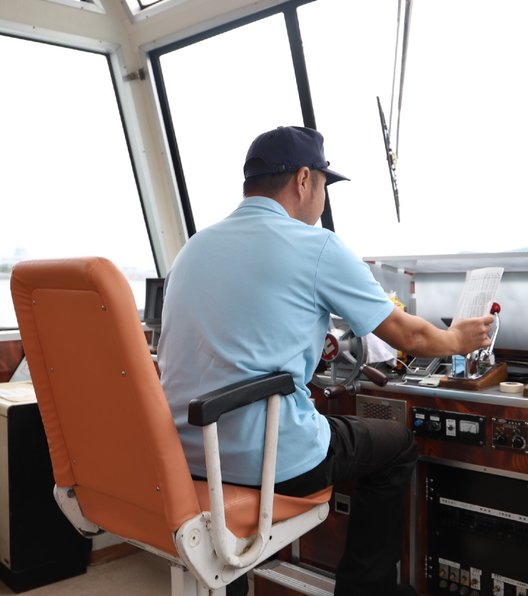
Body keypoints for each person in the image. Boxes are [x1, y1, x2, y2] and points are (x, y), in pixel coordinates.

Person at [157, 126, 494, 596]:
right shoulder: (316, 246)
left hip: (184, 455)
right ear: (301, 180)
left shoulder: (192, 248)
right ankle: (365, 588)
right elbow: (408, 335)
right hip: (269, 460)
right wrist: (458, 338)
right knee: (396, 444)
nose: (322, 199)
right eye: (323, 184)